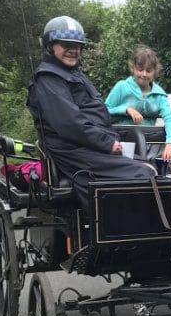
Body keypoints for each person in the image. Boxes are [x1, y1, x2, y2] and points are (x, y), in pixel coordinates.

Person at [27, 16, 155, 210]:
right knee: (142, 175)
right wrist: (107, 143)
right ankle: (119, 233)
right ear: (50, 46)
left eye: (77, 45)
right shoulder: (48, 78)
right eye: (66, 44)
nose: (73, 50)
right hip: (74, 149)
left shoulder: (74, 74)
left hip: (92, 146)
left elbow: (96, 111)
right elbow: (69, 123)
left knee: (154, 168)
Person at [105, 46, 171, 162]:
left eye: (148, 71)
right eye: (140, 69)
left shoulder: (159, 95)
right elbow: (103, 112)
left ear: (155, 72)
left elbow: (170, 118)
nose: (144, 74)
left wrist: (170, 143)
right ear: (133, 68)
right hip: (120, 145)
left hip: (148, 146)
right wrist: (126, 109)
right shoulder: (121, 87)